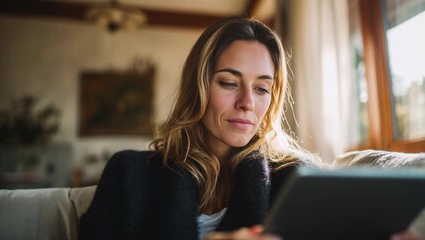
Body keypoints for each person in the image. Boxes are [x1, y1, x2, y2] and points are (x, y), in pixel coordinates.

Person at [78, 16, 421, 240]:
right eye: (229, 83)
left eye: (261, 89)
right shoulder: (129, 174)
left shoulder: (297, 179)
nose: (247, 103)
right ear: (197, 87)